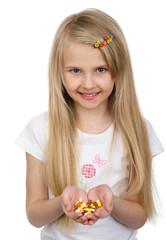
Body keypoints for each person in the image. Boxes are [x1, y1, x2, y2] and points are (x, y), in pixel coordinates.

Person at [15, 8, 164, 240]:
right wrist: (62, 202)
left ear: (118, 70)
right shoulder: (41, 130)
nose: (88, 83)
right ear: (60, 73)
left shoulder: (137, 131)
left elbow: (139, 216)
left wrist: (112, 201)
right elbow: (34, 215)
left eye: (100, 70)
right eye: (75, 70)